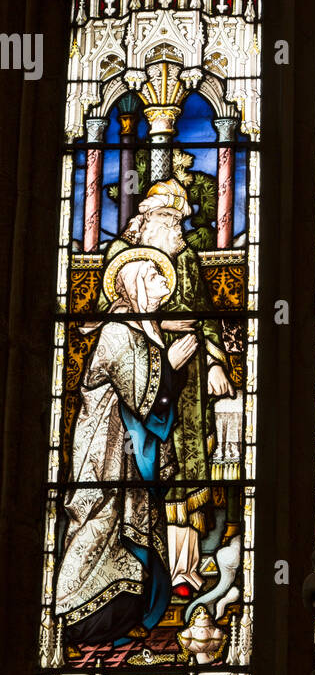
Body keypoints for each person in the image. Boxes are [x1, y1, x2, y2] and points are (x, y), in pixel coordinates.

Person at [55, 249, 198, 648]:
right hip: (103, 456)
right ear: (134, 283)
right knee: (99, 526)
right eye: (155, 277)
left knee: (130, 530)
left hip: (130, 458)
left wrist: (168, 359)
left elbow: (157, 403)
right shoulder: (117, 332)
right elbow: (140, 396)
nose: (164, 285)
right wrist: (169, 360)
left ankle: (125, 617)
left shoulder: (141, 330)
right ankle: (75, 616)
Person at [100, 179, 235, 596]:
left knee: (190, 462)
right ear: (148, 217)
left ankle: (184, 567)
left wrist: (214, 363)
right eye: (167, 218)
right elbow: (108, 319)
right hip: (138, 375)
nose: (174, 228)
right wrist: (161, 326)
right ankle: (142, 564)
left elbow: (205, 314)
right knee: (151, 463)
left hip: (189, 378)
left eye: (178, 220)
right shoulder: (120, 256)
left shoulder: (186, 258)